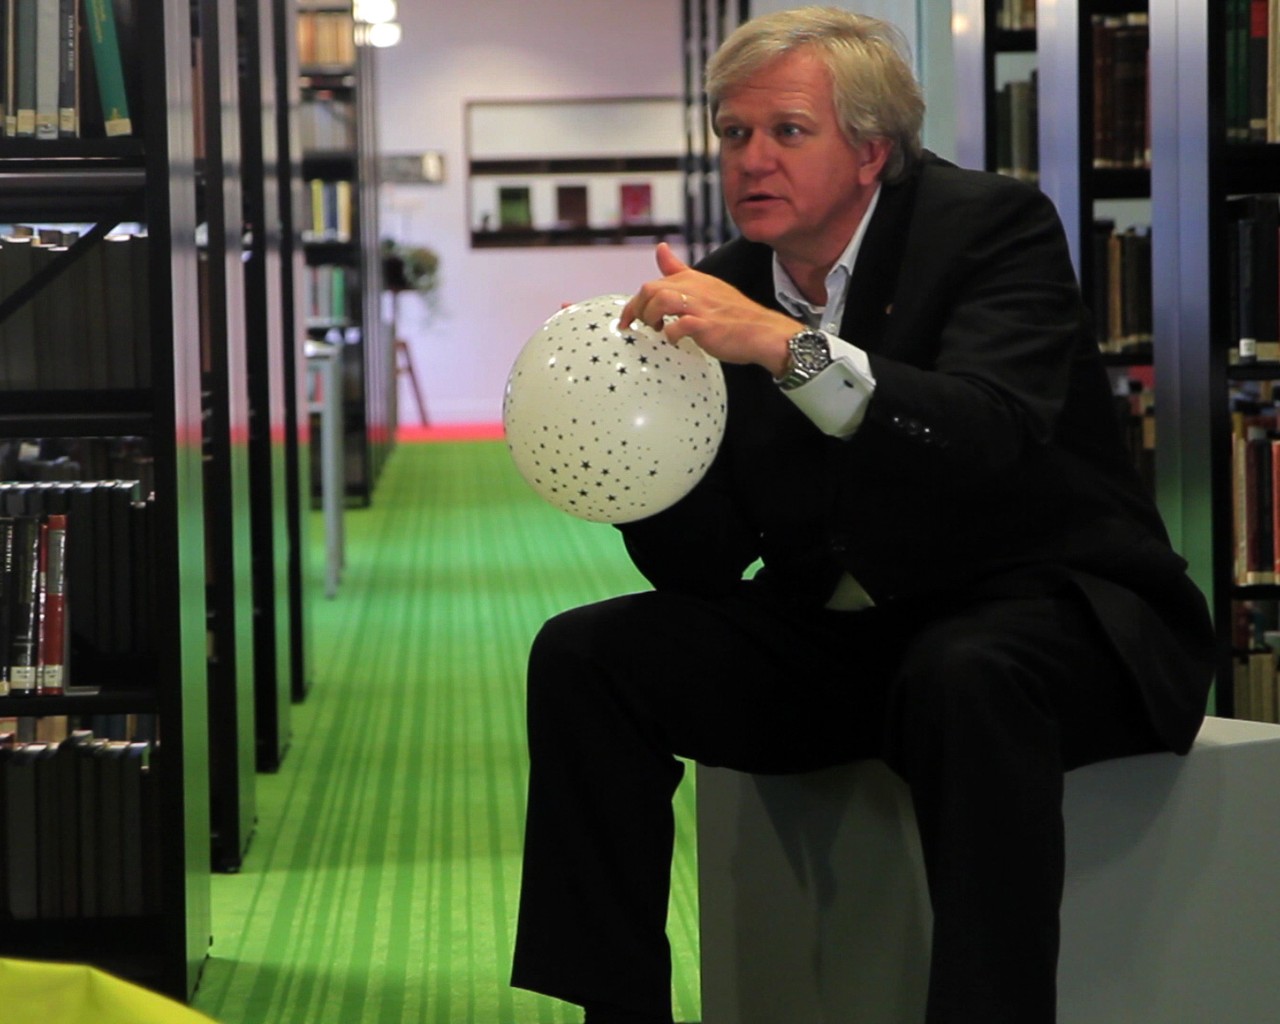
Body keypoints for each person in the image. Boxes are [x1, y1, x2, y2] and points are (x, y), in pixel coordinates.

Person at [509, 7, 1215, 1024]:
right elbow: (705, 567)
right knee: (586, 656)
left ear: (871, 149)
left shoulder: (990, 228)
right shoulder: (725, 284)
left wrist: (783, 349)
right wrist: (633, 456)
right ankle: (617, 1011)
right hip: (844, 632)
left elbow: (985, 432)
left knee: (964, 672)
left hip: (1038, 608)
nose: (750, 158)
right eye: (732, 131)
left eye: (786, 131)